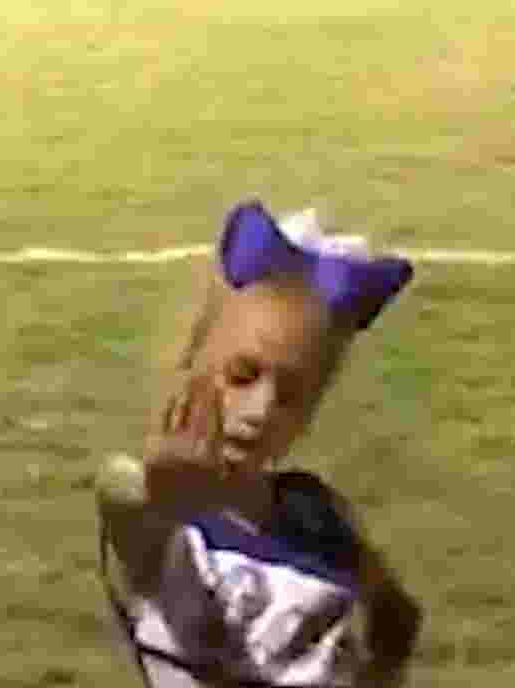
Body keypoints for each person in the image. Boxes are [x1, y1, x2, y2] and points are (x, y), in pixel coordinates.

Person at [95, 199, 424, 687]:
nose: (263, 409)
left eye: (292, 395)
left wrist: (381, 672)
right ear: (193, 362)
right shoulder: (170, 532)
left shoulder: (314, 511)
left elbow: (398, 618)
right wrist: (163, 489)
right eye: (242, 375)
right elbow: (120, 492)